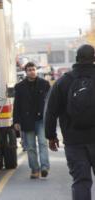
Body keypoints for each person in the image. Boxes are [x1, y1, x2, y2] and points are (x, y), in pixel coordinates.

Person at [45, 44, 95, 200]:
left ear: (76, 59)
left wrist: (51, 136)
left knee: (81, 181)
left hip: (74, 141)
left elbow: (51, 112)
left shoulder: (63, 82)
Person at [13, 61, 50, 179]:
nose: (32, 72)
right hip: (27, 120)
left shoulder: (45, 84)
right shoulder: (19, 87)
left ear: (36, 70)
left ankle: (44, 167)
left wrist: (51, 117)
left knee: (43, 143)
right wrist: (16, 121)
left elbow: (50, 101)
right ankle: (35, 170)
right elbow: (16, 105)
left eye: (33, 69)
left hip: (41, 119)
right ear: (26, 72)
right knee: (30, 147)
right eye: (29, 70)